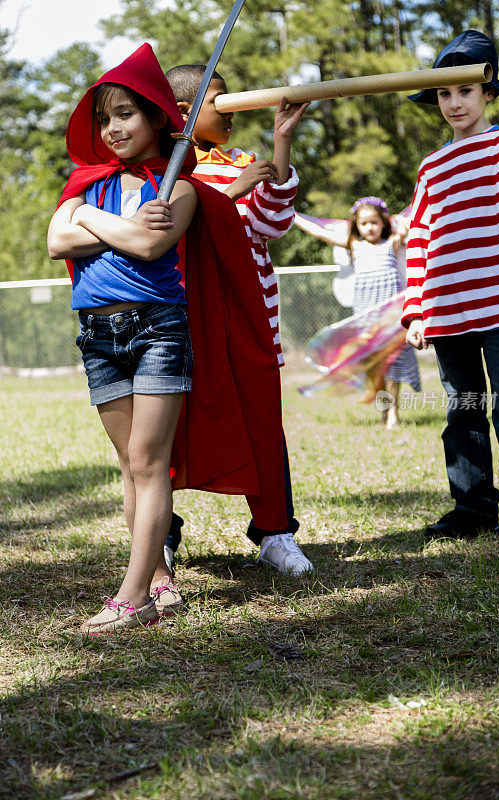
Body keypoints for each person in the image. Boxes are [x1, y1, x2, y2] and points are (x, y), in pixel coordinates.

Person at [48, 45, 293, 633]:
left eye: (127, 114)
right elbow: (57, 241)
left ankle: (132, 596)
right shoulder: (85, 184)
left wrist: (89, 223)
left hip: (157, 327)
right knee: (128, 467)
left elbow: (151, 247)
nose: (114, 128)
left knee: (147, 461)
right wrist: (99, 221)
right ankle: (159, 581)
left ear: (159, 117)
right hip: (97, 331)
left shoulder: (180, 187)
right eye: (104, 118)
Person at [162, 63, 314, 576]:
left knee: (262, 421)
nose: (231, 109)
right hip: (182, 318)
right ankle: (160, 535)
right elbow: (168, 232)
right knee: (166, 426)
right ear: (185, 112)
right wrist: (229, 191)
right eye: (219, 101)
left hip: (251, 316)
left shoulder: (244, 160)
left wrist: (279, 146)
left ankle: (275, 532)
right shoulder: (163, 169)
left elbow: (272, 223)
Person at [401, 30, 499, 562]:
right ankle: (474, 507)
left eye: (465, 92)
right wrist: (415, 306)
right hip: (447, 307)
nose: (454, 103)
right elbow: (420, 236)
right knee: (463, 408)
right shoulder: (431, 166)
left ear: (488, 95)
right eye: (443, 93)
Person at [295, 197, 421, 428]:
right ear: (356, 225)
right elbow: (320, 232)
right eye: (364, 223)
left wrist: (402, 225)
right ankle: (384, 410)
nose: (369, 228)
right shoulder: (354, 245)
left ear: (384, 223)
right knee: (375, 365)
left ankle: (393, 413)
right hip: (366, 316)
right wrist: (294, 216)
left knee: (394, 361)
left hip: (392, 317)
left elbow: (417, 222)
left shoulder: (393, 242)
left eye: (374, 222)